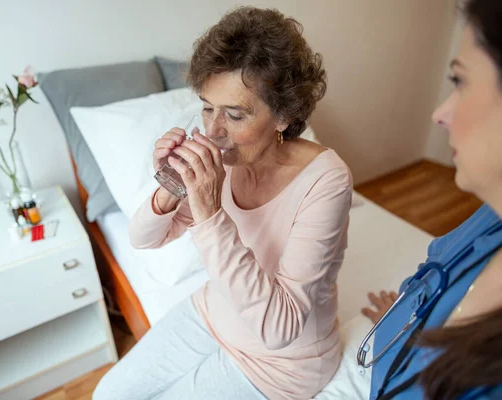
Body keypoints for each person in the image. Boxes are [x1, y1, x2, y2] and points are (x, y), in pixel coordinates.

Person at [93, 6, 352, 400]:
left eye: (234, 114)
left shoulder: (327, 180)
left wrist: (210, 213)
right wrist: (170, 187)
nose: (213, 130)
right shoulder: (223, 162)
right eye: (207, 107)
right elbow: (143, 239)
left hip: (281, 365)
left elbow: (277, 328)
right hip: (215, 313)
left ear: (283, 115)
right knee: (107, 394)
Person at [360, 0, 502, 398]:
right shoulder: (489, 217)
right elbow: (435, 270)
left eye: (460, 81)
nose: (439, 114)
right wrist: (409, 311)